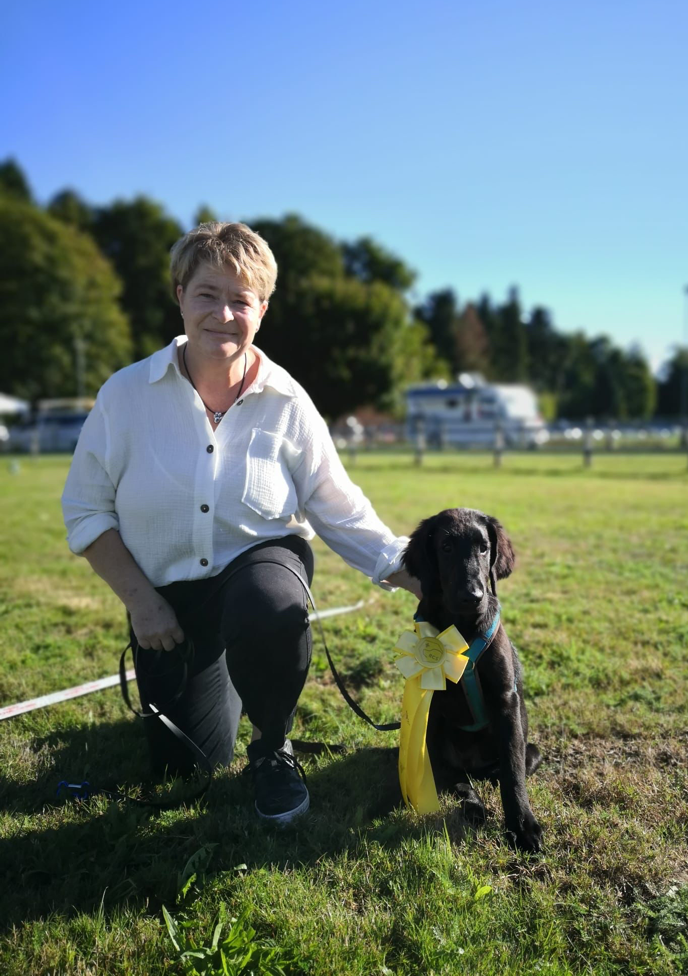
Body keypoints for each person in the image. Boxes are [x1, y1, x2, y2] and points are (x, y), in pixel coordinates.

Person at [61, 221, 420, 824]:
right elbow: (86, 509)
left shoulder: (288, 401)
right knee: (185, 763)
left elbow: (337, 504)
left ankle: (273, 745)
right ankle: (223, 669)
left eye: (241, 299)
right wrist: (143, 606)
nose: (223, 314)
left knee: (267, 605)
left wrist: (409, 569)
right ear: (180, 295)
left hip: (260, 571)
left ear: (262, 309)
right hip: (169, 605)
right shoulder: (125, 396)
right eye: (207, 294)